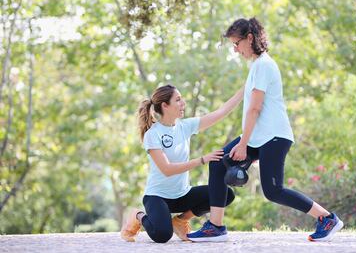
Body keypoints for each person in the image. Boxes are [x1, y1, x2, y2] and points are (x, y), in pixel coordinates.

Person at [187, 18, 344, 242]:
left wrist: (243, 145)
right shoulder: (256, 67)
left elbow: (255, 109)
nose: (235, 49)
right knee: (217, 162)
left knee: (273, 191)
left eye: (236, 43)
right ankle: (216, 226)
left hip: (274, 137)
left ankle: (326, 218)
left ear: (249, 38)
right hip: (259, 137)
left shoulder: (263, 65)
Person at [120, 84, 244, 243]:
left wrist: (244, 90)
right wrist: (202, 160)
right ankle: (137, 216)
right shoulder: (153, 134)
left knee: (226, 194)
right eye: (178, 100)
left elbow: (221, 112)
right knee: (162, 235)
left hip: (182, 194)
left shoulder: (185, 126)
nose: (183, 103)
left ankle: (179, 221)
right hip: (158, 197)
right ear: (165, 105)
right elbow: (167, 170)